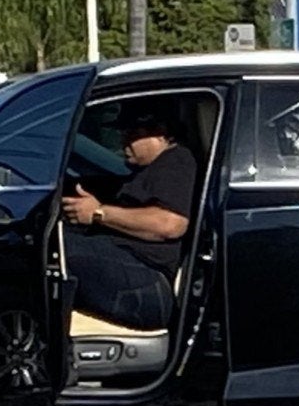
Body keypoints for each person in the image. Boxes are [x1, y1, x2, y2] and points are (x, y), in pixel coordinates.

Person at [58, 100, 199, 329]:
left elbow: (171, 223)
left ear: (161, 133)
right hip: (127, 266)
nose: (124, 140)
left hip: (147, 277)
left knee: (53, 250)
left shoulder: (176, 161)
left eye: (132, 133)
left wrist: (98, 213)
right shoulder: (143, 171)